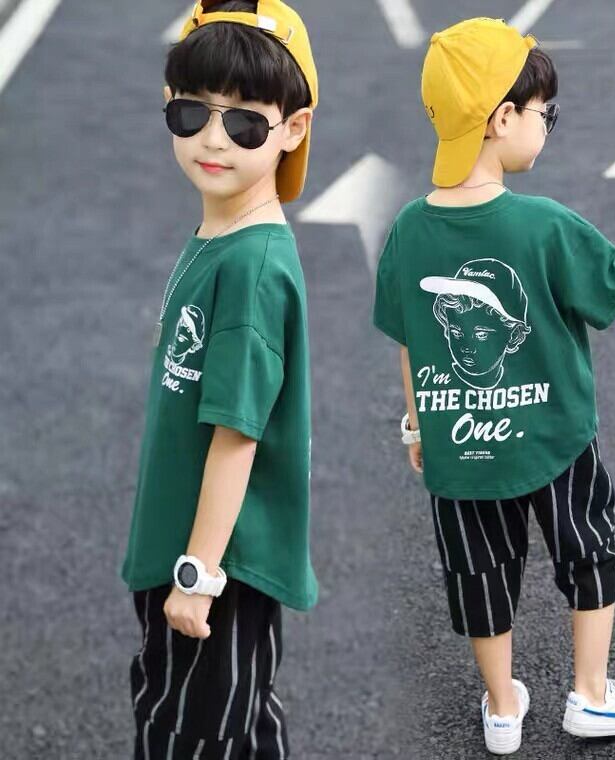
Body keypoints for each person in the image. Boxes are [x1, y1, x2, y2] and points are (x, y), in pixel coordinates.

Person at [372, 17, 615, 756]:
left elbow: (410, 341)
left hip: (461, 449)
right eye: (543, 114)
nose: (545, 126)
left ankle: (501, 709)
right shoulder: (544, 225)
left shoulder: (408, 232)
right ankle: (591, 695)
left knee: (479, 573)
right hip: (556, 438)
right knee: (589, 553)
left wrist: (418, 425)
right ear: (501, 119)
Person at [119, 2, 319, 757]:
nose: (213, 137)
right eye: (192, 112)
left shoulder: (251, 268)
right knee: (232, 725)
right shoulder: (222, 231)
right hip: (196, 547)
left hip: (219, 564)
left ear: (292, 129)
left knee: (190, 733)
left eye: (244, 123)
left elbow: (237, 436)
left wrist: (197, 572)